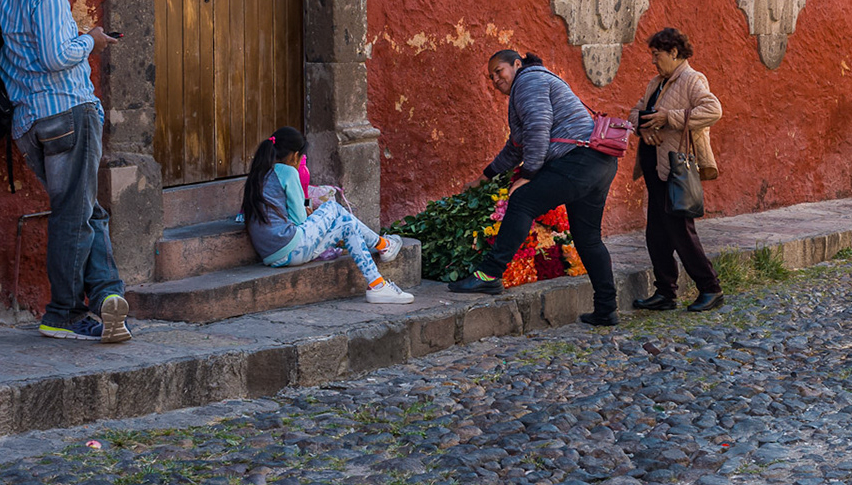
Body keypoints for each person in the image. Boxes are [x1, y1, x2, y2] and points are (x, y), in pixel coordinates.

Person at [0, 0, 130, 342]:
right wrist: (91, 40)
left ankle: (108, 295)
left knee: (85, 209)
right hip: (67, 111)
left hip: (29, 122)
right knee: (74, 214)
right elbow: (55, 57)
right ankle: (63, 313)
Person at [451, 50, 620, 326]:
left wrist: (528, 175)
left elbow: (538, 128)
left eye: (499, 71)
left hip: (578, 161)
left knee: (522, 200)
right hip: (598, 163)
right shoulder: (535, 83)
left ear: (517, 64)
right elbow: (515, 147)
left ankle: (489, 274)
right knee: (588, 239)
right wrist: (485, 177)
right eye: (491, 76)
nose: (495, 79)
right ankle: (606, 309)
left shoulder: (528, 81)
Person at [242, 127, 411, 303]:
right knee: (332, 207)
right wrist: (308, 211)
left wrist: (308, 213)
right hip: (290, 245)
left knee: (347, 225)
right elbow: (300, 219)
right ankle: (383, 245)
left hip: (273, 256)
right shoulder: (287, 172)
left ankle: (377, 284)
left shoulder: (258, 174)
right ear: (295, 156)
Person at [629, 28, 724, 314]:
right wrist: (644, 129)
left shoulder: (692, 79)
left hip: (675, 168)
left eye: (657, 55)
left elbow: (713, 110)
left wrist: (669, 118)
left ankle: (710, 288)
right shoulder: (656, 82)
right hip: (654, 165)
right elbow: (635, 112)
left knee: (681, 231)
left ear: (673, 52)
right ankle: (665, 292)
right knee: (656, 233)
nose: (653, 61)